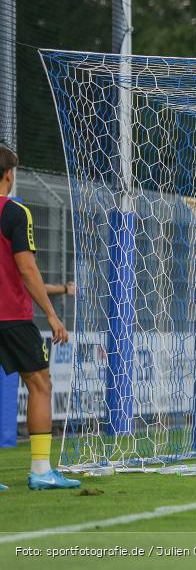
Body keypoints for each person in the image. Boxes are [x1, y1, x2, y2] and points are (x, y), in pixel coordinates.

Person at [0, 145, 80, 491]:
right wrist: (52, 315)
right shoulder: (16, 212)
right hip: (13, 318)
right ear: (9, 175)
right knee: (40, 385)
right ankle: (41, 470)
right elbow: (26, 268)